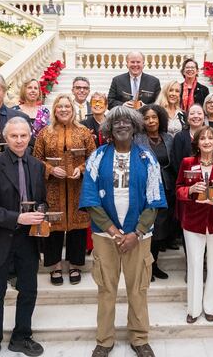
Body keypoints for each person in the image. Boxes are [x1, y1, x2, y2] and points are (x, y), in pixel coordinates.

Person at [79, 106, 168, 357]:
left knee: (138, 289)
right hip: (105, 236)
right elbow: (90, 197)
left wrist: (136, 232)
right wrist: (113, 231)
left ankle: (139, 337)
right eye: (115, 122)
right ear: (109, 127)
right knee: (106, 288)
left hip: (139, 237)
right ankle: (104, 340)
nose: (121, 126)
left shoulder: (146, 157)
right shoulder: (97, 156)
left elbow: (155, 199)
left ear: (134, 125)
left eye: (126, 122)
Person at [0, 117, 47, 357]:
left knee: (29, 291)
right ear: (6, 138)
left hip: (28, 240)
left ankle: (21, 337)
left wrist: (41, 212)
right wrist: (18, 218)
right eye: (14, 136)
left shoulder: (37, 165)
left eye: (23, 136)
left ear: (30, 137)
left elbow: (42, 200)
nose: (19, 140)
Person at [33, 94, 97, 286]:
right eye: (59, 106)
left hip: (78, 187)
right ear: (54, 110)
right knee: (54, 226)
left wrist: (81, 169)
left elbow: (94, 156)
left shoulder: (83, 131)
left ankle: (76, 265)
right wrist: (51, 169)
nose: (63, 110)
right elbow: (36, 160)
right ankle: (55, 267)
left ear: (73, 109)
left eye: (67, 106)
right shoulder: (44, 133)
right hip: (53, 188)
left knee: (77, 227)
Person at [176, 126, 213, 323]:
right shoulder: (187, 162)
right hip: (193, 222)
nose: (207, 141)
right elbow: (178, 189)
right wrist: (190, 189)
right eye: (203, 138)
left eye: (211, 138)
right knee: (194, 264)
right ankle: (193, 309)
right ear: (197, 143)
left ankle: (212, 306)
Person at [135, 104, 175, 281]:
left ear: (160, 119)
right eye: (147, 118)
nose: (151, 121)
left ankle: (154, 263)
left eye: (154, 117)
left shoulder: (168, 138)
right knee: (146, 227)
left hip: (165, 187)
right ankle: (144, 265)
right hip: (144, 190)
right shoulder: (137, 139)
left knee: (160, 228)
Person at [171, 104, 206, 183]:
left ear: (204, 118)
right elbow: (176, 162)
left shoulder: (210, 136)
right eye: (192, 113)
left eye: (199, 113)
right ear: (187, 118)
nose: (196, 116)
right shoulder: (180, 137)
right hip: (185, 181)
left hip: (207, 179)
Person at [12, 79, 50, 143]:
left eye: (35, 88)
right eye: (29, 88)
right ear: (24, 90)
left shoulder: (45, 112)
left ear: (39, 92)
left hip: (40, 151)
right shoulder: (14, 111)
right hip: (19, 150)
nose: (33, 90)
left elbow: (49, 135)